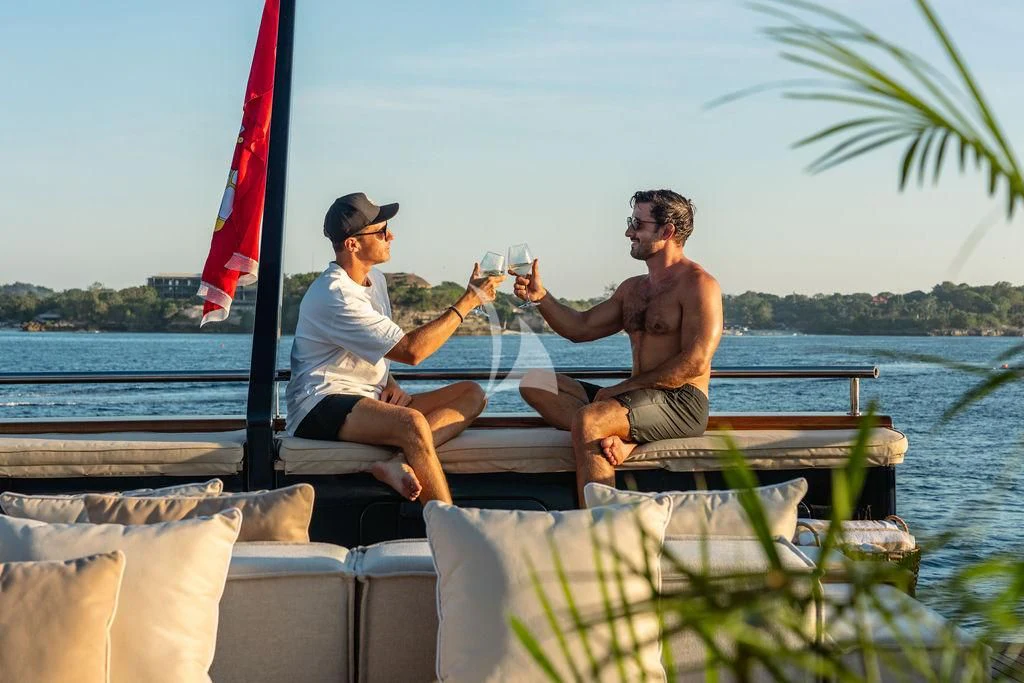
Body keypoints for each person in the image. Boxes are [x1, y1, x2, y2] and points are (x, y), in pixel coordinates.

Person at [286, 192, 504, 504]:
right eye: (381, 231)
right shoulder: (335, 294)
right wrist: (469, 300)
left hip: (366, 397)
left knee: (472, 395)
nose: (391, 235)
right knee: (411, 423)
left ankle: (395, 461)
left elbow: (366, 346)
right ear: (352, 244)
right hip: (319, 404)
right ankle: (450, 528)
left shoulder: (376, 280)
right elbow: (411, 351)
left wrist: (389, 382)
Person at [513, 189, 723, 504]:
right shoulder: (632, 290)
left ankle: (599, 529)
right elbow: (579, 328)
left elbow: (694, 363)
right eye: (630, 221)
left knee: (590, 420)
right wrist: (540, 296)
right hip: (636, 398)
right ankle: (625, 438)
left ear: (666, 232)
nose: (628, 232)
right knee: (534, 383)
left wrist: (620, 390)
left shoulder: (699, 285)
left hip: (681, 403)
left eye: (638, 224)